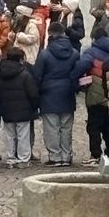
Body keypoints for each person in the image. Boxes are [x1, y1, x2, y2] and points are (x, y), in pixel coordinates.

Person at [34, 22, 80, 167]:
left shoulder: (45, 54)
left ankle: (55, 156)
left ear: (50, 34)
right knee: (66, 127)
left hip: (48, 94)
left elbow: (37, 75)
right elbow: (78, 73)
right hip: (67, 93)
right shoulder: (74, 53)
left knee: (51, 127)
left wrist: (38, 92)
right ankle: (66, 156)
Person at [73, 27, 109, 165]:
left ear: (94, 39)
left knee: (94, 125)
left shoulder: (91, 52)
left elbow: (82, 66)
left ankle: (96, 154)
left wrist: (74, 80)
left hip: (95, 91)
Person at [0, 47, 39, 167]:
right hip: (24, 110)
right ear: (21, 59)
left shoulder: (0, 75)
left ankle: (11, 157)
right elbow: (33, 94)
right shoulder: (25, 75)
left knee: (9, 135)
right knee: (23, 135)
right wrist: (34, 107)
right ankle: (23, 158)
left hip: (7, 110)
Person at [10, 0, 41, 64]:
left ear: (24, 15)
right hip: (20, 54)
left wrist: (17, 36)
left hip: (28, 56)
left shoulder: (32, 25)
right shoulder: (19, 24)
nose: (16, 15)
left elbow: (33, 38)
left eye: (18, 13)